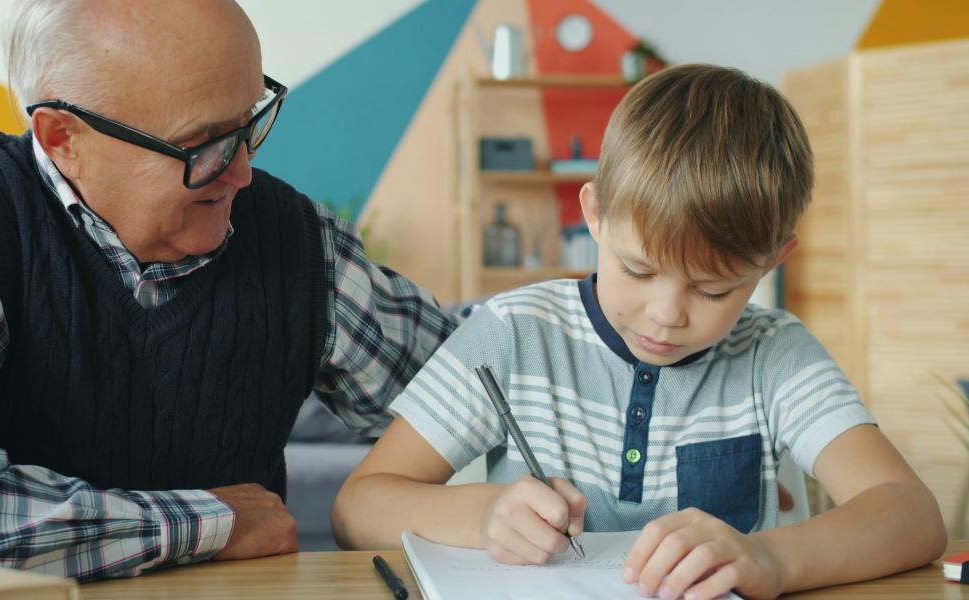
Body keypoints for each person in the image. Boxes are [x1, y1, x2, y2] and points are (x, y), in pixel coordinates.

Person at [0, 0, 458, 581]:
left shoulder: (295, 238)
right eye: (202, 144)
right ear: (62, 139)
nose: (241, 171)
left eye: (249, 122)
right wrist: (208, 524)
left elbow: (468, 390)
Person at [331, 64, 946, 599]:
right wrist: (484, 514)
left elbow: (913, 514)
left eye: (713, 290)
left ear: (771, 262)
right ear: (594, 214)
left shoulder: (774, 355)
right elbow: (358, 507)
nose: (666, 314)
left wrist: (771, 559)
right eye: (638, 270)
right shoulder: (513, 334)